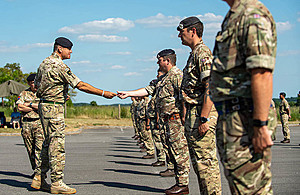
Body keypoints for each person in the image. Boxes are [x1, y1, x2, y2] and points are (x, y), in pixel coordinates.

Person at [209, 0, 277, 194]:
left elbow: (262, 72)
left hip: (245, 119)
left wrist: (260, 124)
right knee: (240, 186)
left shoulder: (252, 15)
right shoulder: (235, 15)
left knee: (252, 189)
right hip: (233, 117)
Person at [35, 37, 116, 194]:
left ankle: (38, 177)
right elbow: (80, 85)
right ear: (60, 49)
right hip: (54, 108)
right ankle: (57, 182)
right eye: (69, 49)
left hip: (43, 106)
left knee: (47, 143)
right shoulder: (60, 66)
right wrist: (103, 93)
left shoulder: (43, 63)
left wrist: (57, 92)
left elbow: (38, 85)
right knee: (56, 145)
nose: (71, 51)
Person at [118, 49, 190, 195]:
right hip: (166, 122)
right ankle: (179, 182)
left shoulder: (177, 75)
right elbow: (147, 90)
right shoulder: (163, 79)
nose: (158, 63)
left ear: (167, 61)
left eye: (160, 60)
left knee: (179, 152)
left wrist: (184, 118)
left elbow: (184, 97)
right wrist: (128, 93)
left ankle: (183, 184)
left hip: (175, 120)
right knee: (171, 151)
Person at [177, 16, 222, 194]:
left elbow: (211, 87)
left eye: (181, 32)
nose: (179, 36)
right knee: (200, 164)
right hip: (195, 113)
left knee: (206, 163)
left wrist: (204, 117)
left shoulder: (203, 54)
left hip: (201, 113)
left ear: (192, 31)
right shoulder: (194, 53)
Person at [17, 73, 50, 191]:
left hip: (39, 124)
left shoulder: (43, 93)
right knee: (30, 150)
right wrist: (35, 106)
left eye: (35, 83)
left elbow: (44, 106)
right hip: (26, 125)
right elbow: (20, 107)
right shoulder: (24, 93)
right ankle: (36, 171)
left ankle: (40, 175)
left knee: (39, 150)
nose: (33, 85)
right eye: (31, 83)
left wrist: (29, 104)